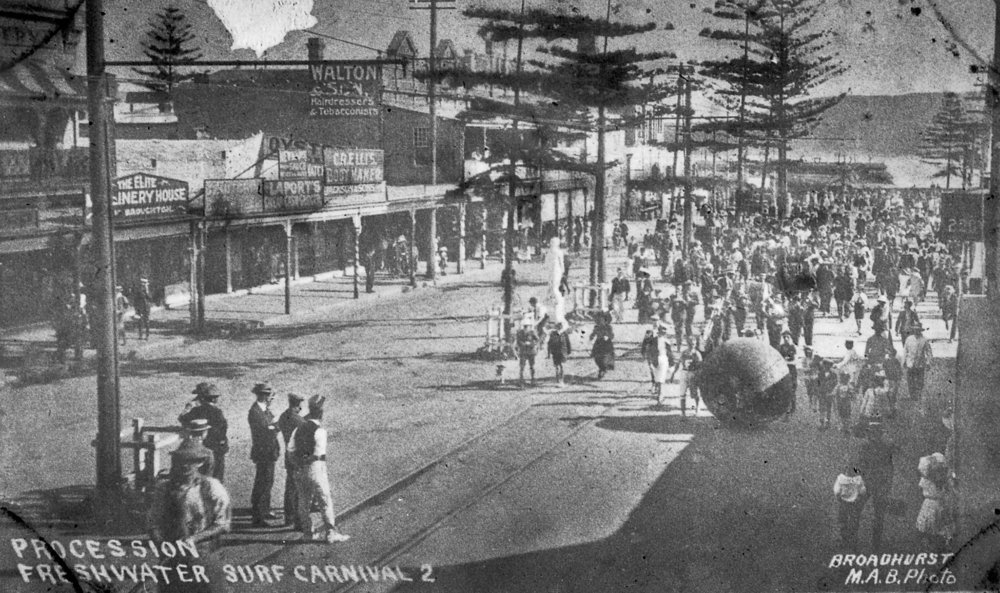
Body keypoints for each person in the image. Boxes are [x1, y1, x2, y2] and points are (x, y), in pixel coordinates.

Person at [147, 441, 231, 593]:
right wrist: (161, 545)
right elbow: (153, 523)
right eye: (181, 461)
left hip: (204, 557)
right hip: (172, 559)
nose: (185, 465)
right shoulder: (163, 489)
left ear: (200, 463)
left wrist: (194, 539)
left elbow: (223, 525)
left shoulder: (212, 487)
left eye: (190, 461)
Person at [288, 395, 350, 543]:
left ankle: (308, 532)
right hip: (315, 468)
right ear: (321, 414)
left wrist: (298, 463)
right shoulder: (320, 431)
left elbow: (290, 451)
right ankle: (330, 533)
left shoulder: (298, 429)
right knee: (324, 500)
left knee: (303, 501)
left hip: (299, 469)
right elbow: (318, 455)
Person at [857, 422, 897, 549]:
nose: (873, 435)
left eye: (875, 433)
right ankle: (871, 543)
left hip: (876, 483)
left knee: (876, 514)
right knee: (866, 512)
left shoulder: (870, 445)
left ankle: (874, 543)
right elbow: (860, 464)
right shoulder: (883, 445)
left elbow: (889, 467)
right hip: (873, 483)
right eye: (871, 433)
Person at [179, 383, 229, 482]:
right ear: (214, 399)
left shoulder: (196, 410)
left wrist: (189, 407)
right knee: (217, 477)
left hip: (201, 446)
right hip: (216, 448)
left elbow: (182, 418)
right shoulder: (217, 412)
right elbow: (223, 430)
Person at [248, 382, 281, 527]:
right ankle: (258, 516)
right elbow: (265, 431)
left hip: (269, 450)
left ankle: (265, 509)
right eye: (268, 395)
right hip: (263, 451)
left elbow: (271, 425)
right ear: (262, 395)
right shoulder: (255, 411)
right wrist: (274, 427)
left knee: (268, 481)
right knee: (262, 482)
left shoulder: (265, 410)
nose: (270, 398)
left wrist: (273, 426)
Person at [276, 393, 305, 528]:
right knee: (299, 489)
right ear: (297, 404)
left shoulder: (283, 416)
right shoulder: (298, 420)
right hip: (298, 457)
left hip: (288, 455)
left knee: (290, 487)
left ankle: (289, 517)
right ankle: (298, 520)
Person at [916, 453, 956, 552]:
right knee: (930, 532)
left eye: (925, 478)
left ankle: (934, 548)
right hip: (932, 504)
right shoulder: (934, 482)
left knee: (936, 532)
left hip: (935, 505)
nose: (920, 483)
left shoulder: (938, 481)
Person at [833, 465, 866, 549]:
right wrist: (859, 497)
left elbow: (837, 491)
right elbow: (863, 491)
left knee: (842, 520)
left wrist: (838, 498)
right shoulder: (858, 480)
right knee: (854, 520)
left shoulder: (840, 479)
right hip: (854, 503)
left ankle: (844, 539)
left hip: (843, 502)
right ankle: (853, 540)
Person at [903, 326, 933, 400]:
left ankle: (919, 394)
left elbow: (929, 352)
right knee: (910, 380)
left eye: (918, 330)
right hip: (910, 363)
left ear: (920, 331)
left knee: (920, 380)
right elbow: (905, 350)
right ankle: (912, 395)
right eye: (915, 330)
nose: (916, 332)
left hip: (920, 363)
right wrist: (904, 361)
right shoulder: (909, 339)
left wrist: (928, 362)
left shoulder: (924, 340)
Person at [515, 318, 540, 385]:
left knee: (532, 366)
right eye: (525, 326)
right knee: (522, 366)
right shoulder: (520, 333)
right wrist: (523, 344)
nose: (526, 327)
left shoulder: (532, 332)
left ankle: (533, 379)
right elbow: (518, 341)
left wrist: (531, 344)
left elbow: (537, 340)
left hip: (531, 351)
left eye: (527, 326)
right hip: (523, 351)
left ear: (530, 326)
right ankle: (521, 380)